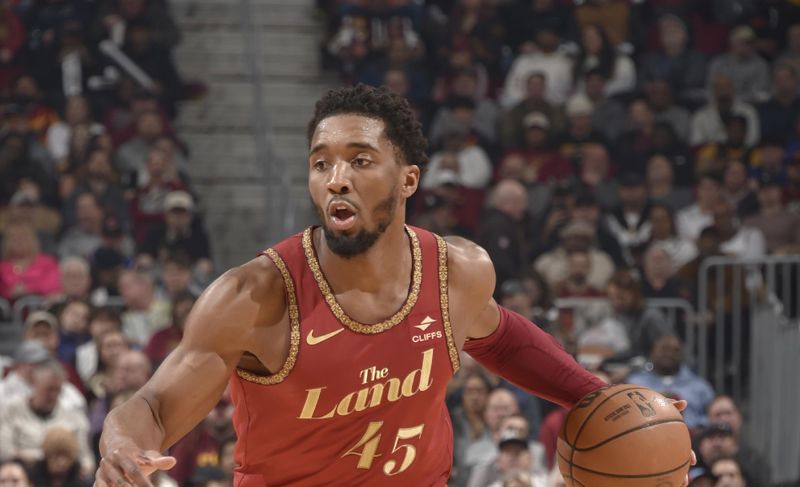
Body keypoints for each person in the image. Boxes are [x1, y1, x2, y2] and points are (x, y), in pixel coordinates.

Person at [95, 85, 692, 486]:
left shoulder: (459, 271)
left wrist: (606, 401)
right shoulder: (253, 297)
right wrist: (120, 444)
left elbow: (501, 337)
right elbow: (154, 404)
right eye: (321, 162)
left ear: (407, 178)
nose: (336, 179)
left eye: (359, 160)